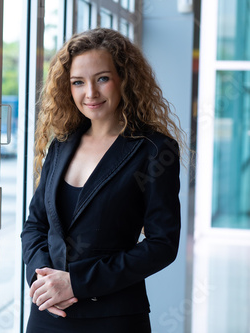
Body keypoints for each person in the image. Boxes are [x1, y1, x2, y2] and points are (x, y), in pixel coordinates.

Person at [21, 28, 184, 333]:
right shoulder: (62, 144)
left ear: (124, 79)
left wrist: (77, 283)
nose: (90, 93)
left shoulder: (153, 150)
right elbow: (35, 226)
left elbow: (163, 244)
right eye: (78, 82)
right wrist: (41, 279)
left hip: (113, 318)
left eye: (102, 78)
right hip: (49, 314)